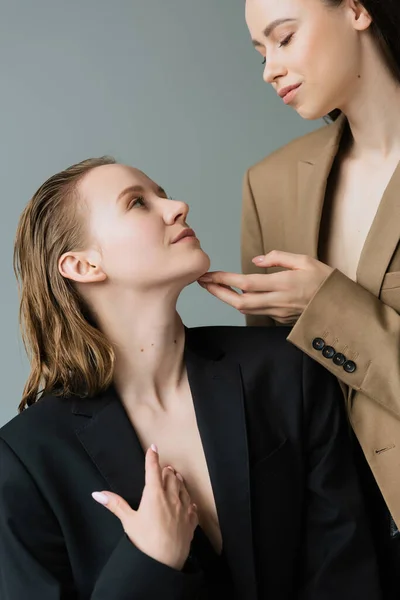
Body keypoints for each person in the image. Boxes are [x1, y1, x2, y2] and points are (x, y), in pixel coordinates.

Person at [0, 157, 382, 599]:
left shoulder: (284, 369)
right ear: (83, 266)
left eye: (162, 193)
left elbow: (349, 572)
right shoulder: (25, 459)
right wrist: (148, 560)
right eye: (138, 203)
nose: (177, 206)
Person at [196, 0, 400, 597]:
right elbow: (277, 400)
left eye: (284, 38)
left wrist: (326, 306)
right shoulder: (270, 184)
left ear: (357, 11)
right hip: (332, 549)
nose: (269, 69)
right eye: (260, 54)